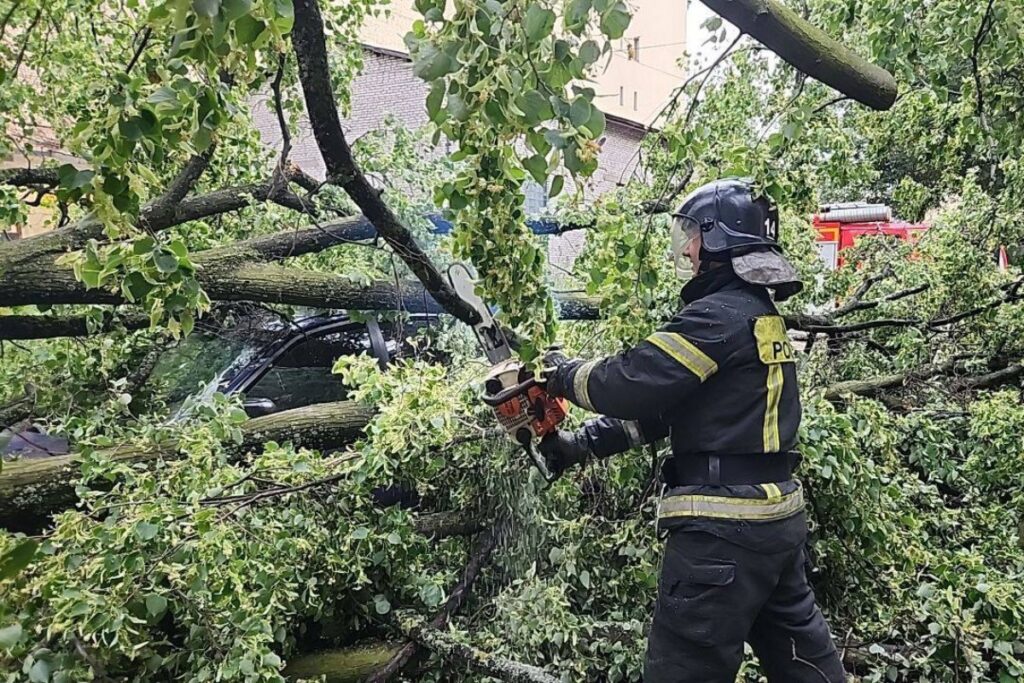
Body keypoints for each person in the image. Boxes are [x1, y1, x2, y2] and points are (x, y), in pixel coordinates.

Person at [539, 178, 846, 683]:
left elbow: (631, 382)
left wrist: (561, 374)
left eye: (692, 234)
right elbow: (671, 410)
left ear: (720, 239)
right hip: (776, 527)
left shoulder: (717, 317)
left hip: (721, 538)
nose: (685, 247)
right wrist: (582, 444)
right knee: (806, 667)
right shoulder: (757, 314)